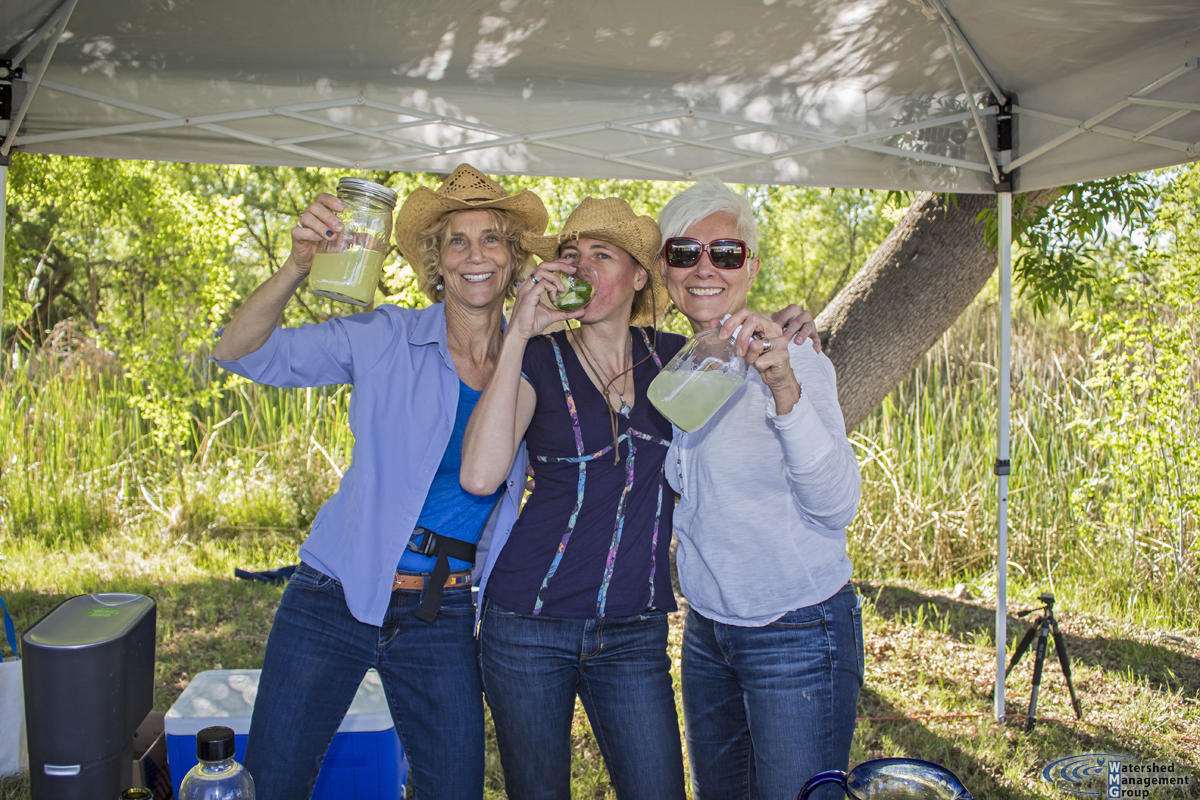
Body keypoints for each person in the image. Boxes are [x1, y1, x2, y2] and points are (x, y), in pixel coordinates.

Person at [210, 164, 548, 800]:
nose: (476, 255)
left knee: (455, 788)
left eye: (492, 239)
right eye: (457, 241)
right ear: (437, 262)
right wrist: (296, 268)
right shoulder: (386, 336)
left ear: (513, 258)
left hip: (441, 606)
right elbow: (242, 352)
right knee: (275, 780)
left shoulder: (537, 359)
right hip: (333, 592)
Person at [460, 197, 689, 800]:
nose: (580, 266)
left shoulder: (674, 358)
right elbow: (480, 476)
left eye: (601, 255)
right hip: (527, 624)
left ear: (638, 277)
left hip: (634, 628)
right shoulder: (539, 356)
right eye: (570, 254)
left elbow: (744, 341)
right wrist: (519, 331)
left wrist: (792, 326)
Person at [655, 178, 864, 800]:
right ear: (663, 269)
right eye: (684, 252)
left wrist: (782, 385)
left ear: (752, 266)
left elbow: (836, 505)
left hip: (796, 628)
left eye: (726, 252)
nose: (705, 268)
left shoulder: (797, 359)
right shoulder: (675, 362)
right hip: (707, 630)